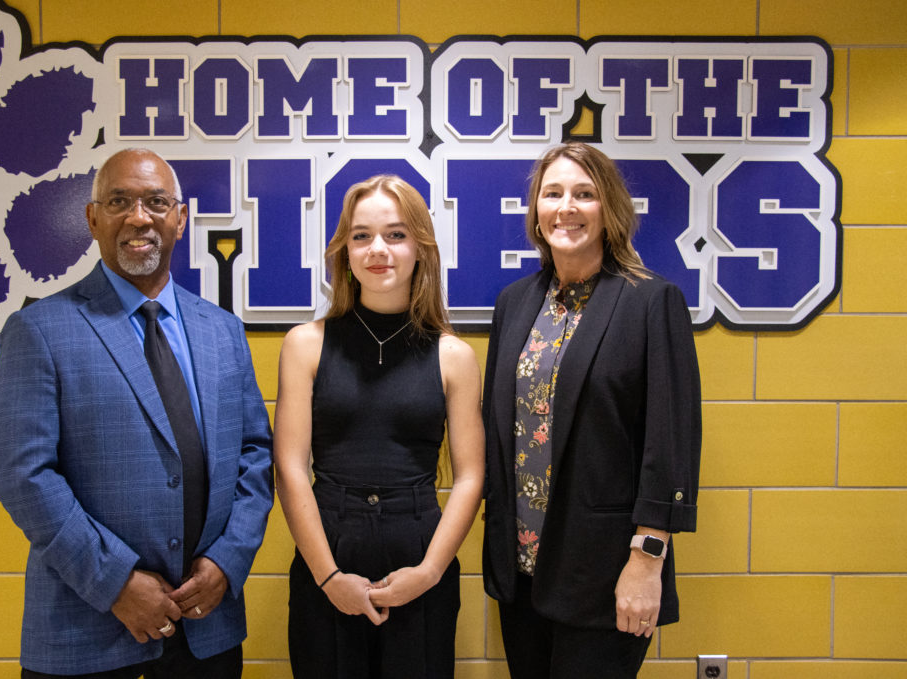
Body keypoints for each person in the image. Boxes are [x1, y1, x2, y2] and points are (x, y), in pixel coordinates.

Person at [0, 148, 273, 678]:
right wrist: (115, 582)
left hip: (207, 632)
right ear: (93, 218)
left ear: (180, 218)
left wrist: (226, 563)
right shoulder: (41, 330)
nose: (139, 217)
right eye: (119, 201)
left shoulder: (223, 332)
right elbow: (21, 475)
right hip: (89, 633)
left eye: (156, 202)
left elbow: (256, 457)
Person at [481, 142, 701, 678]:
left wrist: (647, 561)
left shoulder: (650, 301)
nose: (567, 207)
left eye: (585, 194)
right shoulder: (515, 302)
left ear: (611, 210)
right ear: (536, 210)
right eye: (552, 193)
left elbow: (669, 442)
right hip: (523, 570)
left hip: (606, 573)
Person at [274, 174, 484, 678]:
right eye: (361, 235)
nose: (378, 250)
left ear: (420, 248)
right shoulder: (306, 343)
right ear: (345, 251)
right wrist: (327, 577)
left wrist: (430, 571)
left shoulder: (453, 355)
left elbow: (472, 475)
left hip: (418, 554)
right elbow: (289, 466)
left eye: (395, 234)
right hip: (328, 551)